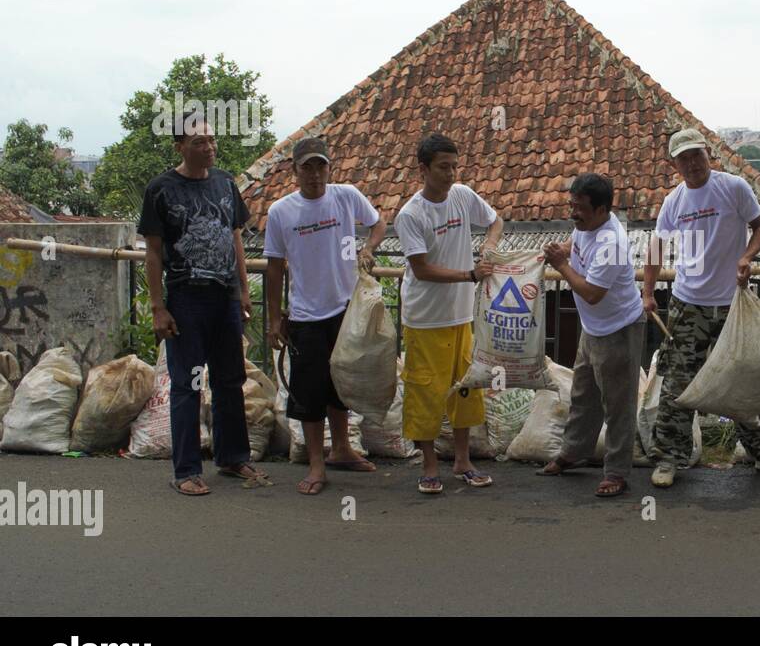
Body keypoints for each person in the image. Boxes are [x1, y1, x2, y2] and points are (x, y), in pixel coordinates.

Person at [641, 127, 760, 488]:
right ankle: (669, 459)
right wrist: (648, 293)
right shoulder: (674, 202)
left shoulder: (734, 187)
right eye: (684, 158)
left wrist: (746, 257)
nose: (692, 163)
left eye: (697, 154)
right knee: (677, 385)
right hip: (687, 305)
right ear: (675, 164)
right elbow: (655, 249)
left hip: (733, 304)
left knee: (743, 380)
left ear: (708, 153)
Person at [139, 113, 263, 496]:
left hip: (224, 298)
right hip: (185, 298)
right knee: (188, 383)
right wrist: (159, 307)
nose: (208, 148)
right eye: (198, 142)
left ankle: (232, 456)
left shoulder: (226, 184)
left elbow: (236, 238)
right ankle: (187, 470)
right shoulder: (161, 190)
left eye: (211, 140)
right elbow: (154, 253)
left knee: (230, 380)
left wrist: (243, 290)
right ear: (180, 146)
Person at [264, 137, 387, 496]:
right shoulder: (281, 212)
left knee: (342, 384)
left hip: (346, 310)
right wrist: (274, 320)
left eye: (321, 166)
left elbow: (378, 224)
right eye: (307, 167)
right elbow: (273, 269)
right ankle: (317, 463)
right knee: (310, 392)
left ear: (330, 168)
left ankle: (343, 449)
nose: (315, 174)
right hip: (305, 315)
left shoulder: (346, 196)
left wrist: (368, 248)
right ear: (294, 171)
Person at [394, 133, 504, 495]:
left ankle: (462, 461)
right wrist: (469, 275)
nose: (451, 174)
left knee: (465, 390)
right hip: (425, 318)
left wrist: (488, 246)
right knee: (426, 391)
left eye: (455, 166)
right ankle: (428, 465)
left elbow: (495, 221)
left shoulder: (462, 195)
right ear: (423, 169)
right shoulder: (410, 215)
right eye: (443, 167)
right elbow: (422, 269)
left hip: (461, 315)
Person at [537, 173, 646, 497]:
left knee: (617, 406)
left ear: (601, 210)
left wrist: (560, 265)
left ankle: (616, 472)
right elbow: (575, 244)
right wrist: (564, 249)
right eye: (572, 205)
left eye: (580, 208)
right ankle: (573, 453)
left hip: (618, 330)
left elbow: (592, 292)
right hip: (593, 329)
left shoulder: (611, 242)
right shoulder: (586, 226)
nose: (574, 213)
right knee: (583, 396)